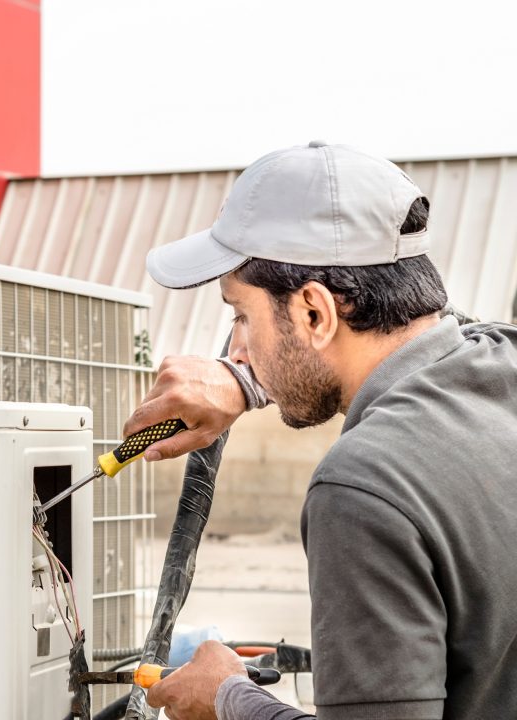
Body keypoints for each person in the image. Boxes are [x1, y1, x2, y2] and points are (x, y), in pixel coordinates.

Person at [122, 141, 517, 720]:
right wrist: (257, 380)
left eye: (240, 315)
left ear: (315, 312)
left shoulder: (363, 488)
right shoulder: (503, 360)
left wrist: (229, 696)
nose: (237, 348)